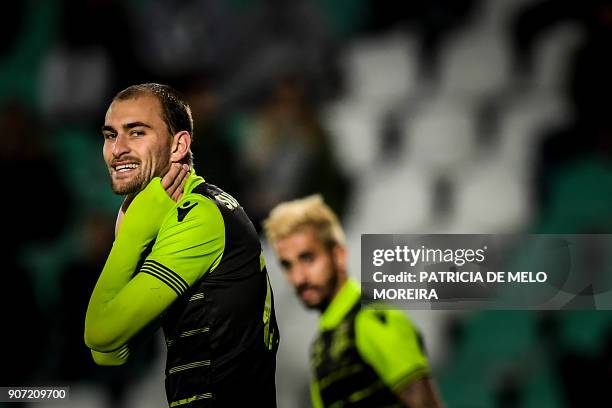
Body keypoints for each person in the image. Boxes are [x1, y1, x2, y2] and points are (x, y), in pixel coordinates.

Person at [84, 83, 279, 407]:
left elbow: (99, 333)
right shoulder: (196, 207)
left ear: (179, 145)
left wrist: (132, 234)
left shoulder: (196, 217)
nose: (116, 149)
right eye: (110, 135)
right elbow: (110, 354)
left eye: (136, 133)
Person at [264, 195, 444, 408]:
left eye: (308, 258)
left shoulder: (373, 321)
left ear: (338, 255)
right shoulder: (321, 348)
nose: (298, 278)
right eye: (288, 265)